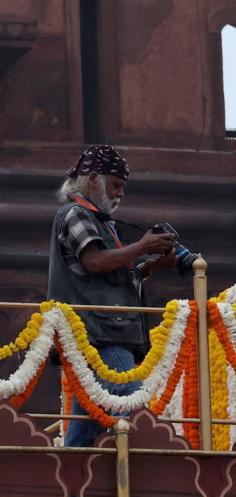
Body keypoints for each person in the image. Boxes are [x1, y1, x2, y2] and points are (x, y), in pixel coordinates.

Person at [49, 145, 178, 448]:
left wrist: (153, 265)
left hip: (101, 332)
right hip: (101, 335)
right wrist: (143, 247)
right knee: (132, 407)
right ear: (93, 177)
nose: (120, 194)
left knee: (86, 426)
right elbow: (94, 262)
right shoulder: (74, 214)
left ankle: (67, 487)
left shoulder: (98, 220)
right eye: (115, 185)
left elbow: (113, 274)